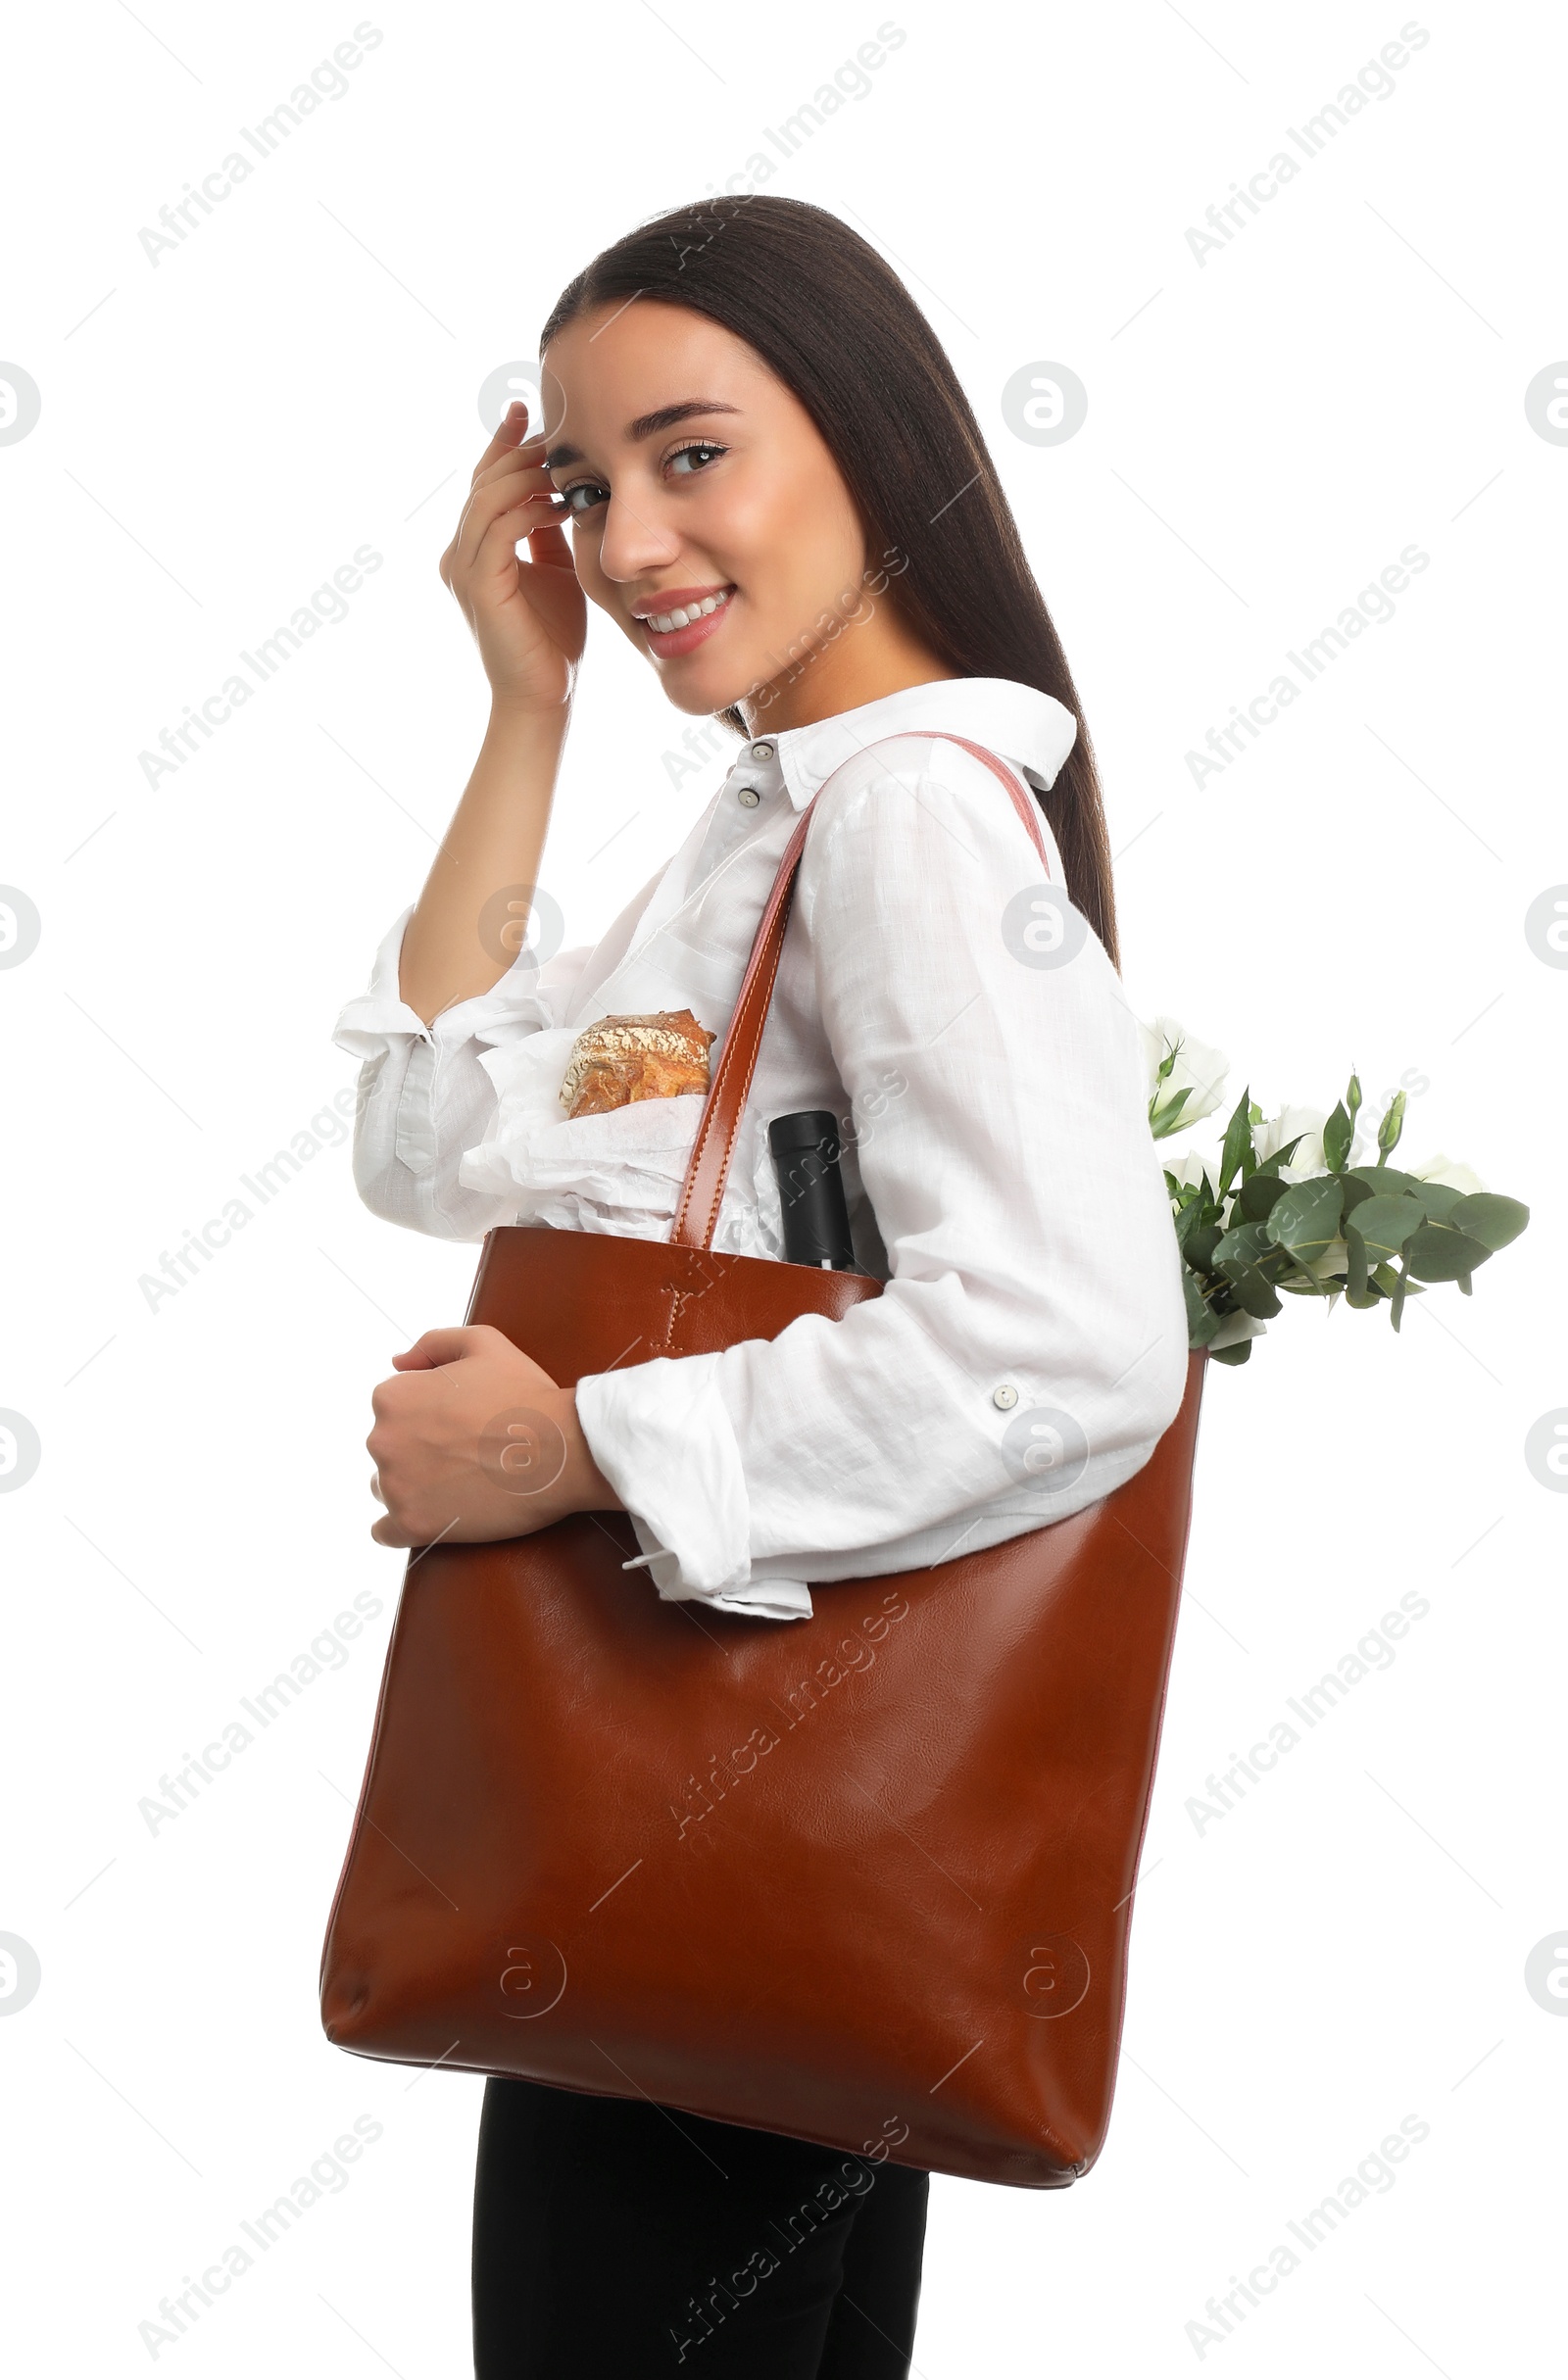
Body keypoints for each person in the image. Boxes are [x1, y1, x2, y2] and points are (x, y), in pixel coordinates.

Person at [333, 194, 1188, 2379]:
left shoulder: (902, 812)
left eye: (691, 453)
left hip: (702, 1798)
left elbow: (1067, 1342)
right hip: (757, 1829)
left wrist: (566, 1443)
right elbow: (434, 1147)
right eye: (586, 482)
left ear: (869, 435)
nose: (625, 547)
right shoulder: (777, 823)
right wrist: (520, 710)